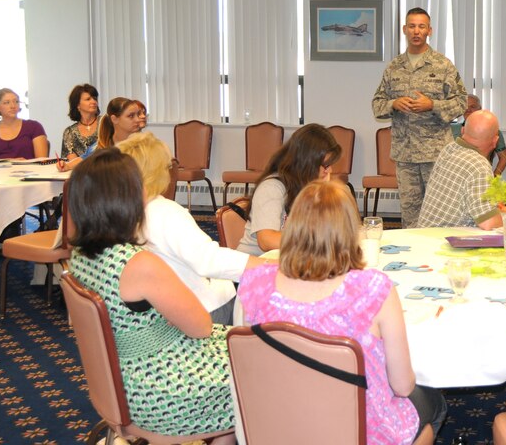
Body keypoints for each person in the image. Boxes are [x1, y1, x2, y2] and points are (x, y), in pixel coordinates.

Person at [238, 180, 446, 444]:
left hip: (279, 425)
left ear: (292, 225)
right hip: (358, 431)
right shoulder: (373, 289)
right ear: (350, 231)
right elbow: (402, 386)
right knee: (434, 402)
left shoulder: (255, 284)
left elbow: (254, 364)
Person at [67, 148, 235, 442]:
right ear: (126, 200)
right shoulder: (138, 263)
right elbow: (201, 327)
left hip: (118, 379)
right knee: (256, 369)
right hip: (160, 391)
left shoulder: (80, 256)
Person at [117, 132, 266, 325]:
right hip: (205, 310)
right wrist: (265, 266)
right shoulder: (164, 212)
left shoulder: (121, 213)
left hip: (164, 313)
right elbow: (208, 261)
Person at [372, 7, 467, 228]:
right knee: (410, 216)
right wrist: (393, 104)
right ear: (405, 30)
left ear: (429, 31)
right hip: (405, 155)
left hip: (436, 154)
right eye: (412, 26)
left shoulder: (443, 65)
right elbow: (377, 105)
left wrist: (432, 105)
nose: (416, 31)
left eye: (421, 26)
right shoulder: (394, 67)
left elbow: (462, 103)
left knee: (440, 214)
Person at [236, 123, 341, 256]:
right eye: (326, 165)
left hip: (286, 262)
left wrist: (324, 192)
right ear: (307, 163)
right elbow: (267, 241)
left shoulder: (306, 185)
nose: (330, 170)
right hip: (255, 266)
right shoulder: (272, 188)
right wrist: (314, 242)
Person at [417, 110, 503, 229]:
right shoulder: (479, 165)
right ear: (495, 141)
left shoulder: (449, 149)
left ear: (462, 131)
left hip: (425, 233)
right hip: (444, 240)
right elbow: (488, 224)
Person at [451, 94, 506, 176]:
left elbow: (504, 158)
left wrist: (494, 177)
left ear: (480, 109)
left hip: (480, 174)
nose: (468, 110)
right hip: (454, 174)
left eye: (473, 106)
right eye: (465, 107)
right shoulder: (451, 129)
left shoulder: (492, 131)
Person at [0, 88, 47, 159]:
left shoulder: (34, 127)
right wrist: (10, 162)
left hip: (29, 169)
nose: (13, 106)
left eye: (16, 101)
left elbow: (42, 161)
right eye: (7, 102)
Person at [60, 84, 100, 168]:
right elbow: (72, 160)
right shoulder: (69, 132)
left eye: (95, 98)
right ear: (78, 105)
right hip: (80, 173)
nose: (94, 101)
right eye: (88, 99)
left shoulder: (105, 123)